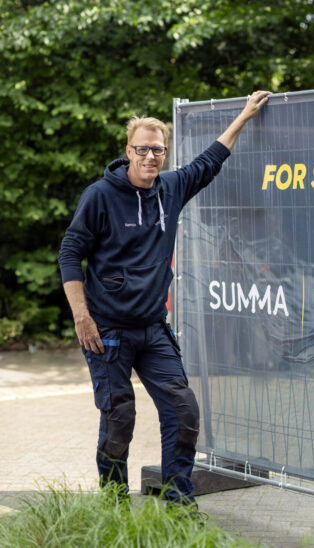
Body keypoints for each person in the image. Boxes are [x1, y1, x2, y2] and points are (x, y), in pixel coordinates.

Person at [58, 90, 271, 504]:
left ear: (164, 153)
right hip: (107, 331)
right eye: (143, 149)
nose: (151, 157)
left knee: (183, 410)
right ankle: (114, 505)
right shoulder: (99, 196)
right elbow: (70, 253)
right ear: (129, 151)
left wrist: (244, 115)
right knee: (120, 418)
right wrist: (81, 316)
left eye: (158, 150)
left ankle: (178, 502)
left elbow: (210, 160)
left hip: (152, 328)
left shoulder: (170, 188)